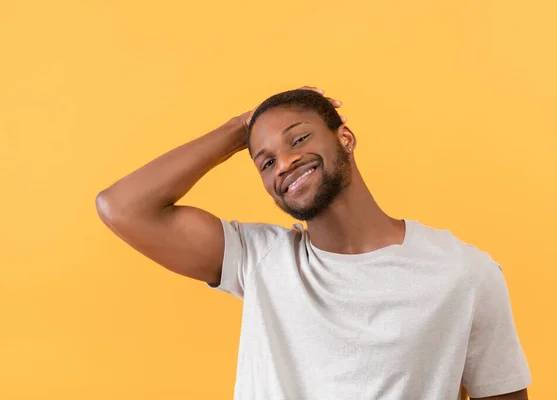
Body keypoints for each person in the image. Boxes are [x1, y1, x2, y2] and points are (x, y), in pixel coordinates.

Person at [96, 86, 531, 400]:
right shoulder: (260, 259)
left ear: (345, 137)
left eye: (298, 138)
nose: (283, 163)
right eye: (265, 162)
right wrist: (238, 128)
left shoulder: (464, 274)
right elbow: (121, 207)